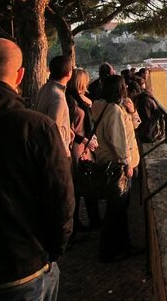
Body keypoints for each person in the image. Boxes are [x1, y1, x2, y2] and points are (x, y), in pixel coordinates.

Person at [0, 38, 74, 300]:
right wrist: (51, 253)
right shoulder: (36, 127)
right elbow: (61, 199)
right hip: (22, 267)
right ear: (20, 75)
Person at [91, 75, 138, 262]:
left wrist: (132, 111)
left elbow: (131, 126)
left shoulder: (99, 105)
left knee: (115, 209)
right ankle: (111, 250)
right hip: (117, 166)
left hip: (104, 161)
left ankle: (121, 246)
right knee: (116, 210)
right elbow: (119, 141)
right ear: (120, 89)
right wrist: (127, 164)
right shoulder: (114, 111)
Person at [65, 68, 101, 232]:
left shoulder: (81, 98)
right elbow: (69, 129)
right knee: (79, 185)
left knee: (90, 183)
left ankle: (94, 219)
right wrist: (85, 140)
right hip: (78, 147)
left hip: (87, 146)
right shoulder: (71, 101)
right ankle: (76, 223)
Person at [35, 55, 73, 156]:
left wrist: (67, 129)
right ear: (69, 73)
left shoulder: (44, 88)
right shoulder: (58, 96)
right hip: (57, 153)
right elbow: (53, 129)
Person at [134, 76, 165, 143]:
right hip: (152, 133)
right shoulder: (146, 97)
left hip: (150, 134)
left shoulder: (144, 101)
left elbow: (147, 122)